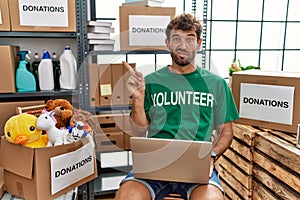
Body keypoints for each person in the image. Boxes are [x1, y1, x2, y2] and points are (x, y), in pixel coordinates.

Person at [115, 13, 239, 200]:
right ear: (167, 43)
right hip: (154, 166)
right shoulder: (150, 82)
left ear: (199, 43)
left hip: (197, 168)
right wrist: (138, 100)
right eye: (176, 39)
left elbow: (226, 132)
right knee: (127, 196)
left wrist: (211, 156)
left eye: (190, 39)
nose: (183, 45)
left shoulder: (216, 84)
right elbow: (138, 133)